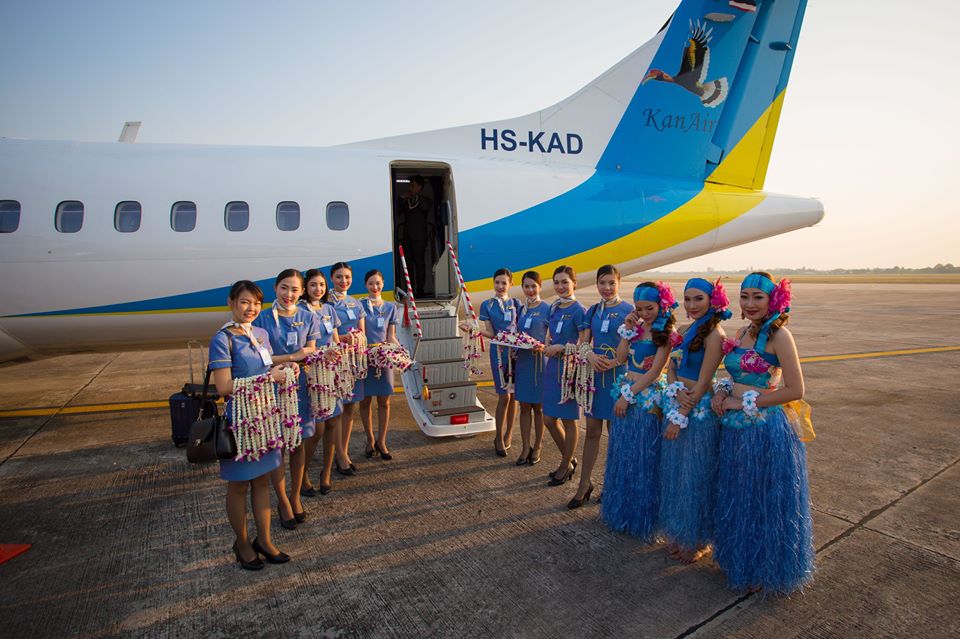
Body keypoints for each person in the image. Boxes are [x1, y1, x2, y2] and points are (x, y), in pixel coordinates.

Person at [711, 272, 814, 594]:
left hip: (764, 429)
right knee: (738, 496)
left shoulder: (780, 336)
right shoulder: (741, 332)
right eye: (745, 296)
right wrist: (722, 391)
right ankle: (740, 558)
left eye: (758, 297)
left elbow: (795, 389)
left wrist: (741, 403)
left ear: (773, 300)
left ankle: (763, 567)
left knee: (761, 500)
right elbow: (736, 376)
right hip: (736, 430)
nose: (750, 303)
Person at [209, 280, 294, 569]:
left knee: (261, 481)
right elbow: (224, 387)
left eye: (256, 303)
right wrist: (269, 378)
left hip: (265, 418)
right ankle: (243, 543)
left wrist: (285, 368)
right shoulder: (223, 339)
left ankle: (265, 540)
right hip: (241, 423)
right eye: (245, 302)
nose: (251, 308)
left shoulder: (260, 334)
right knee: (239, 485)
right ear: (231, 302)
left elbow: (266, 367)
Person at [658, 277, 730, 563]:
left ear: (713, 300)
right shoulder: (684, 331)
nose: (692, 304)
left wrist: (680, 416)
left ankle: (699, 538)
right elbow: (671, 368)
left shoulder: (716, 335)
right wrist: (675, 390)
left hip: (697, 414)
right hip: (678, 402)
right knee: (679, 475)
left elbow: (704, 381)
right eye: (687, 299)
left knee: (697, 476)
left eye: (698, 298)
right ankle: (681, 530)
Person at [601, 281, 677, 541]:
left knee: (644, 457)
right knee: (625, 454)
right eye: (639, 308)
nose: (644, 313)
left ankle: (643, 517)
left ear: (661, 306)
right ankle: (623, 510)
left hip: (646, 399)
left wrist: (628, 396)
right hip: (628, 391)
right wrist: (627, 330)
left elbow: (655, 372)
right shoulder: (637, 327)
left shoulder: (666, 332)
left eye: (649, 308)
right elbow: (621, 358)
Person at [252, 269, 318, 530]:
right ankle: (282, 501)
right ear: (275, 288)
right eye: (284, 288)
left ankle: (295, 495)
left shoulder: (307, 317)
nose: (289, 294)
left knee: (298, 443)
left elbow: (310, 352)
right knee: (278, 444)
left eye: (294, 289)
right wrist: (292, 357)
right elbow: (262, 359)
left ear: (301, 292)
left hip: (299, 386)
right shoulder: (262, 319)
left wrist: (304, 358)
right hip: (273, 385)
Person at [568, 265, 632, 509]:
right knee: (592, 432)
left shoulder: (629, 311)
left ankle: (611, 486)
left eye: (611, 283)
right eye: (602, 283)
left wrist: (615, 362)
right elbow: (583, 342)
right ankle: (584, 484)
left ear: (619, 283)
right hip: (595, 379)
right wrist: (590, 356)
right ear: (596, 284)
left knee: (616, 435)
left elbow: (635, 346)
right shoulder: (593, 310)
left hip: (617, 379)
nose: (607, 288)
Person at [541, 266, 587, 486]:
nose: (560, 286)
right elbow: (551, 335)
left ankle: (565, 464)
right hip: (553, 368)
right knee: (549, 419)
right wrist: (547, 345)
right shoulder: (554, 308)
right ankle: (569, 459)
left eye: (564, 282)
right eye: (557, 282)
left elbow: (584, 345)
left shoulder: (579, 311)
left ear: (574, 283)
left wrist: (560, 347)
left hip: (570, 370)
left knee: (569, 420)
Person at [298, 269, 342, 496]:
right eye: (313, 285)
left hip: (330, 373)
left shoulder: (329, 310)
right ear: (305, 288)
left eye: (322, 285)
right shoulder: (300, 311)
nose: (318, 289)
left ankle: (326, 472)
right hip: (311, 374)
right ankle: (302, 475)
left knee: (333, 423)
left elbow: (335, 340)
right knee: (316, 430)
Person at [471, 269, 521, 456]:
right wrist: (477, 331)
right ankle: (498, 436)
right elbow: (491, 333)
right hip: (498, 352)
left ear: (511, 284)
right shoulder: (487, 305)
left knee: (514, 396)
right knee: (503, 396)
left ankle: (509, 433)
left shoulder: (517, 304)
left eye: (504, 283)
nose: (500, 286)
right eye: (497, 282)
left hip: (515, 352)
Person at [328, 262, 367, 475]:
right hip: (336, 361)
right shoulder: (326, 303)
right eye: (339, 277)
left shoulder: (355, 303)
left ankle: (343, 450)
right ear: (332, 278)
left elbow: (362, 332)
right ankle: (339, 454)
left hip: (353, 361)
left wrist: (357, 338)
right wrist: (342, 338)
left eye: (347, 277)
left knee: (350, 407)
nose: (344, 281)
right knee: (337, 409)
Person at [359, 269, 400, 460]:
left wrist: (400, 352)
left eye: (378, 283)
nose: (375, 287)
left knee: (384, 401)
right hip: (365, 358)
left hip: (384, 358)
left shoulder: (390, 307)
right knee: (365, 402)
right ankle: (370, 439)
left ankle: (382, 441)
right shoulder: (360, 306)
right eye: (371, 283)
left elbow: (391, 336)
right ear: (365, 285)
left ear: (383, 283)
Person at [513, 271, 549, 466]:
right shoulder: (521, 309)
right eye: (526, 286)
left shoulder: (547, 309)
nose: (530, 290)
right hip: (523, 361)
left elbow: (552, 337)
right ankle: (525, 447)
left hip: (539, 362)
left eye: (533, 286)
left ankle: (538, 446)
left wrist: (543, 346)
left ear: (540, 287)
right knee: (524, 406)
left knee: (539, 408)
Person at [396, 175, 434, 298]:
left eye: (413, 186)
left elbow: (425, 207)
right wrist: (402, 198)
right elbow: (398, 211)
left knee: (419, 264)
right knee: (408, 264)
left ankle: (420, 290)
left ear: (419, 187)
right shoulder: (407, 201)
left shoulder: (426, 200)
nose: (410, 188)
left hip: (419, 237)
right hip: (407, 237)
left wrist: (416, 196)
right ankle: (410, 289)